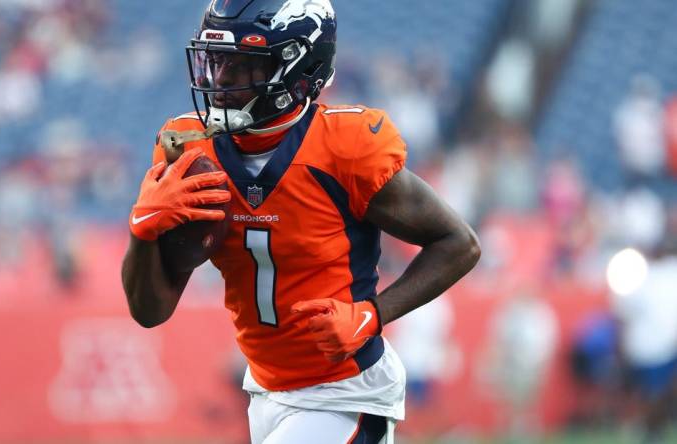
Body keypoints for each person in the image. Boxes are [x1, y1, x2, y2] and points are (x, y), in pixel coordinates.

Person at [122, 1, 480, 442]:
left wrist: (373, 315)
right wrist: (142, 229)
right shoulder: (190, 152)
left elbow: (459, 242)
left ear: (298, 70)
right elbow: (149, 311)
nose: (221, 81)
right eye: (216, 62)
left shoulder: (345, 147)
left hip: (345, 390)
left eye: (243, 66)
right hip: (266, 390)